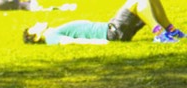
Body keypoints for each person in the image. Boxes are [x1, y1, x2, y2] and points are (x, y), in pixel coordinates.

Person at [23, 0, 184, 41]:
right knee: (137, 1)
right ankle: (159, 34)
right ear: (36, 37)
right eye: (33, 28)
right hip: (111, 31)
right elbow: (69, 43)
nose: (37, 24)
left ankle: (171, 30)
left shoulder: (54, 31)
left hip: (113, 30)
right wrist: (99, 43)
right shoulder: (51, 37)